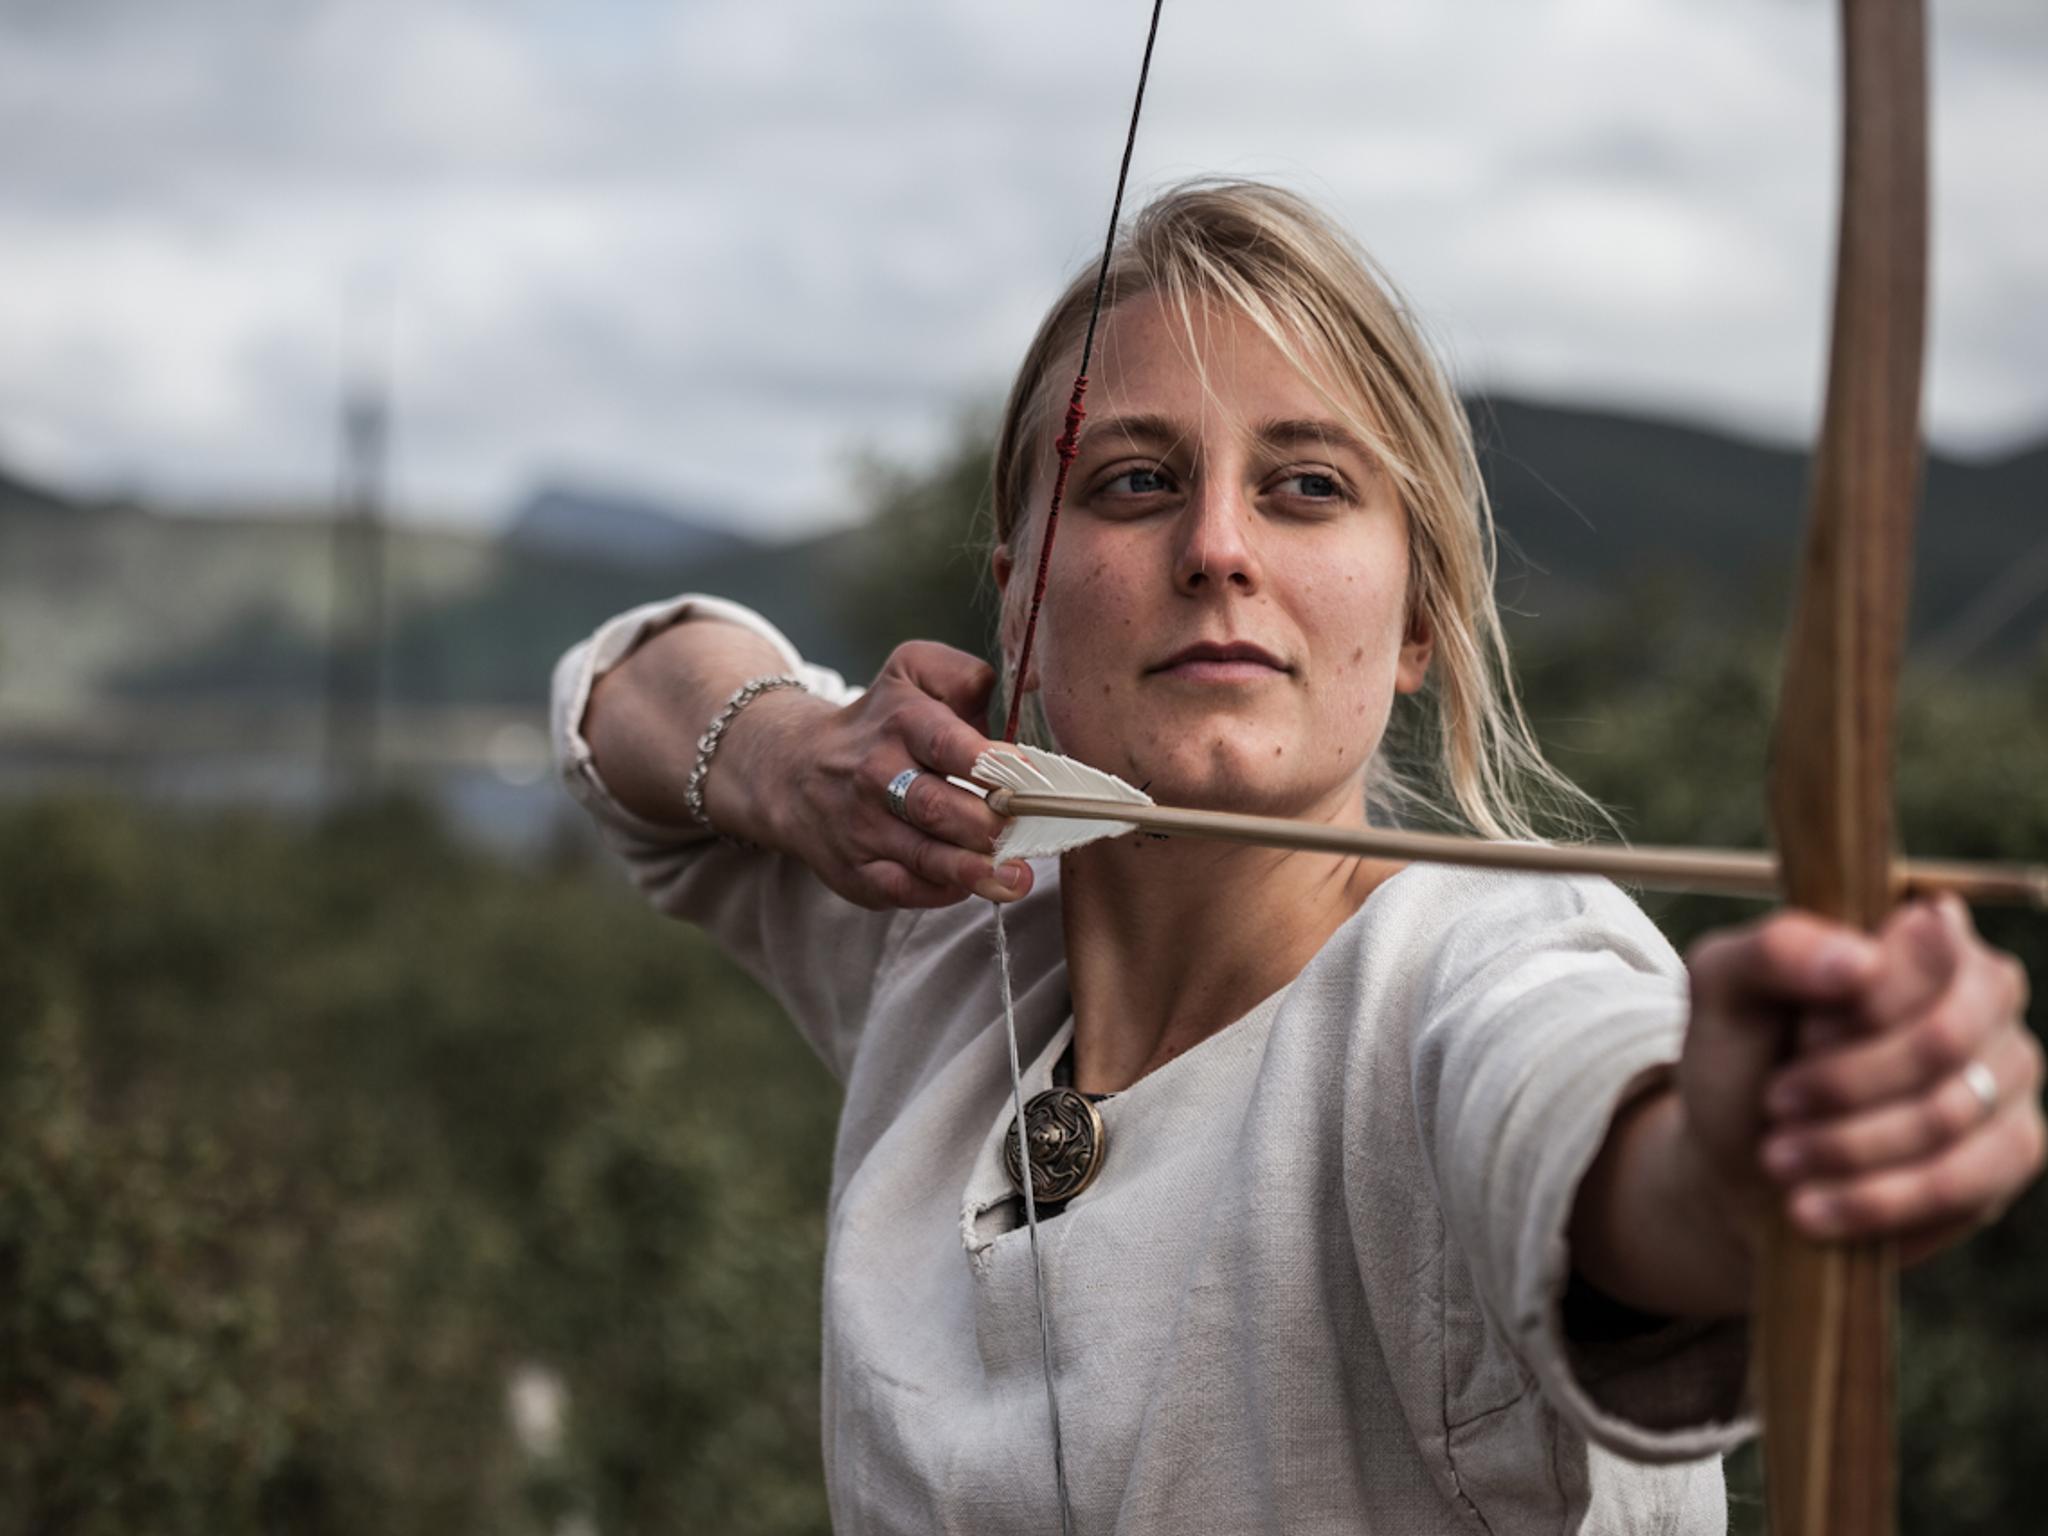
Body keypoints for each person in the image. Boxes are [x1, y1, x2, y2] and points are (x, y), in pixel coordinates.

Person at [550, 181, 2042, 1533]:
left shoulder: (1481, 962)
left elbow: (1592, 1126)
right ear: (1016, 605)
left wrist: (1740, 1155)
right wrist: (778, 755)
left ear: (1414, 625)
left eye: (1308, 485)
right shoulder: (947, 899)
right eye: (1132, 479)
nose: (1217, 545)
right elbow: (622, 692)